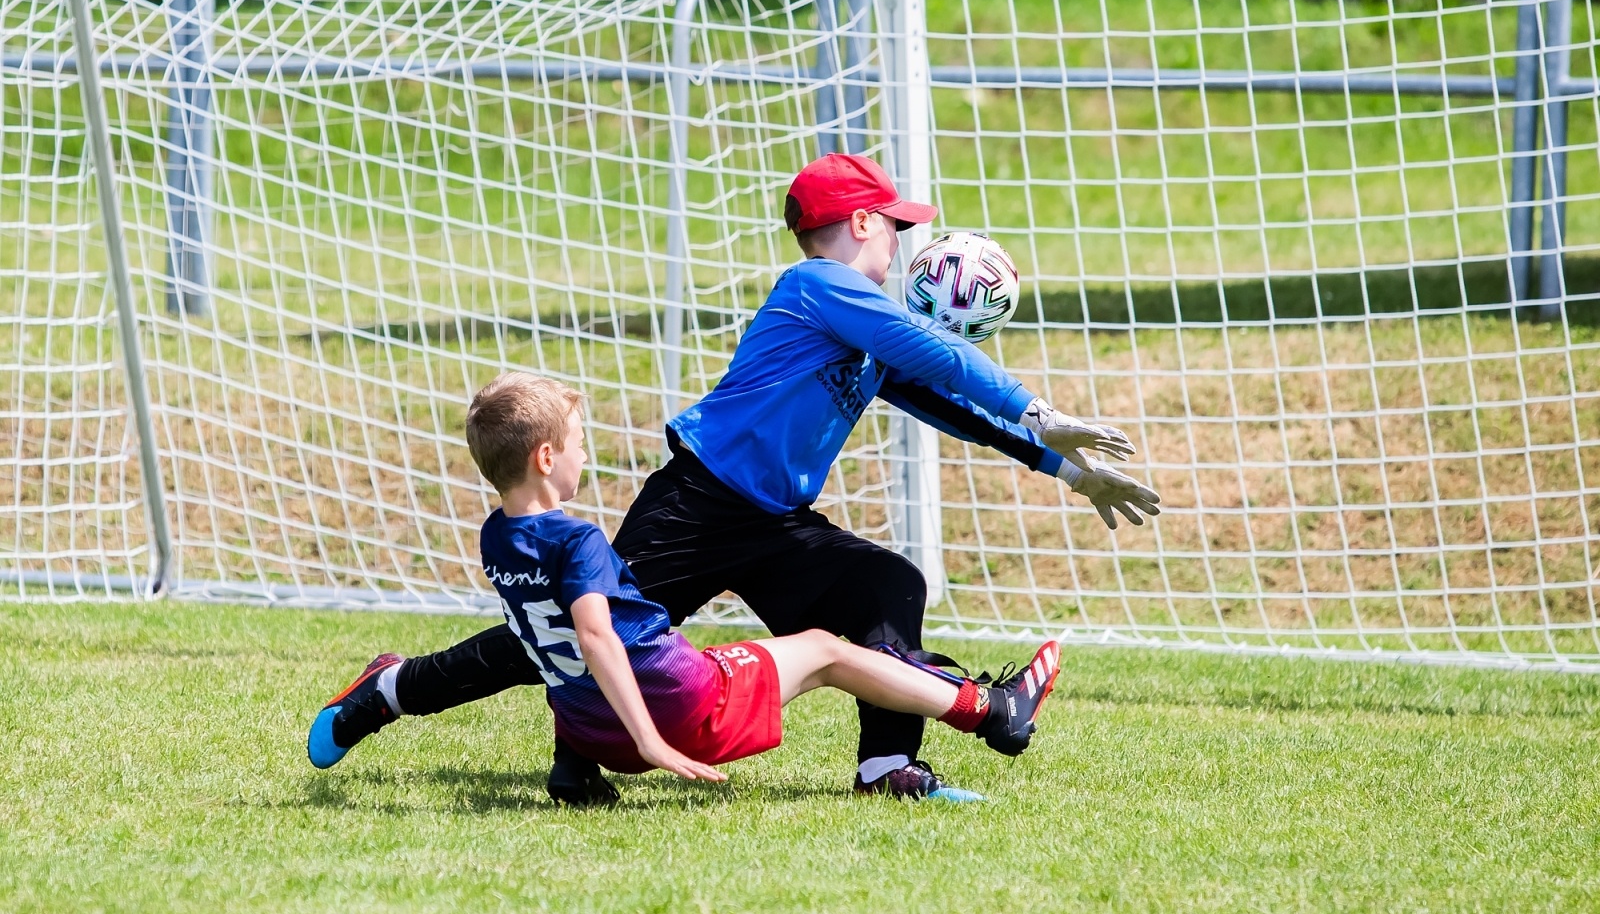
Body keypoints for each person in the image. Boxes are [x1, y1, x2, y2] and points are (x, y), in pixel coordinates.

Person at [309, 153, 1159, 803]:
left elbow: (939, 396)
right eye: (896, 225)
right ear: (863, 225)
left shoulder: (865, 326)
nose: (904, 241)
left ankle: (888, 764)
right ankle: (388, 692)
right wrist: (1038, 408)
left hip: (776, 522)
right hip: (699, 505)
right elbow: (931, 351)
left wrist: (1062, 467)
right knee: (563, 640)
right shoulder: (815, 286)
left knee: (884, 586)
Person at [308, 374, 1064, 794]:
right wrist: (649, 742)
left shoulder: (495, 536)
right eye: (577, 444)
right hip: (671, 714)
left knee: (547, 638)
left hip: (591, 729)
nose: (584, 456)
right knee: (826, 652)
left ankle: (887, 766)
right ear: (546, 458)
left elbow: (553, 646)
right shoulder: (577, 542)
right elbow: (598, 637)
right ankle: (985, 710)